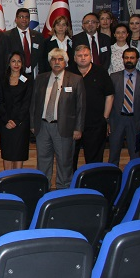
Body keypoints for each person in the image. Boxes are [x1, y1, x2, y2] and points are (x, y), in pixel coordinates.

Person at [30, 48, 86, 189]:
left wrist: (78, 128)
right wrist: (32, 124)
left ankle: (63, 190)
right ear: (49, 62)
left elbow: (80, 106)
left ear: (66, 62)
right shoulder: (41, 78)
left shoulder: (76, 79)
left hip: (64, 127)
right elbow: (34, 103)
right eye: (54, 59)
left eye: (60, 59)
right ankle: (42, 189)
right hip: (42, 126)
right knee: (43, 161)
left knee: (64, 162)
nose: (57, 62)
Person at [70, 45, 114, 171]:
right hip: (72, 125)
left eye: (86, 55)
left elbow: (110, 95)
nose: (83, 58)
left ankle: (93, 181)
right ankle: (71, 182)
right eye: (80, 56)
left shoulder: (101, 72)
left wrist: (105, 118)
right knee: (70, 158)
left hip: (96, 124)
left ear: (91, 57)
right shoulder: (68, 72)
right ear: (74, 58)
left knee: (94, 159)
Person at [109, 47, 140, 165]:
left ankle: (135, 176)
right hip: (116, 121)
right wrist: (107, 121)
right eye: (126, 58)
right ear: (123, 59)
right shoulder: (113, 77)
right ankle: (112, 176)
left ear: (137, 59)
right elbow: (108, 100)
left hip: (137, 122)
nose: (129, 60)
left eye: (132, 58)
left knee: (136, 156)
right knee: (113, 154)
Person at [0, 52, 33, 169]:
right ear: (9, 63)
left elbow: (27, 102)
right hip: (5, 123)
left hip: (21, 123)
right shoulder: (2, 80)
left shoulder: (28, 80)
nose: (16, 64)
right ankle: (7, 178)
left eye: (19, 61)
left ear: (22, 63)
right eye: (13, 61)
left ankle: (18, 178)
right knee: (7, 153)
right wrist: (6, 120)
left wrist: (17, 121)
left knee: (19, 153)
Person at [6, 7, 44, 77]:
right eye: (21, 17)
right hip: (14, 76)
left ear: (29, 20)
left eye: (26, 17)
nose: (24, 19)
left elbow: (41, 58)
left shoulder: (38, 36)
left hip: (34, 75)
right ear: (16, 19)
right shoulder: (7, 36)